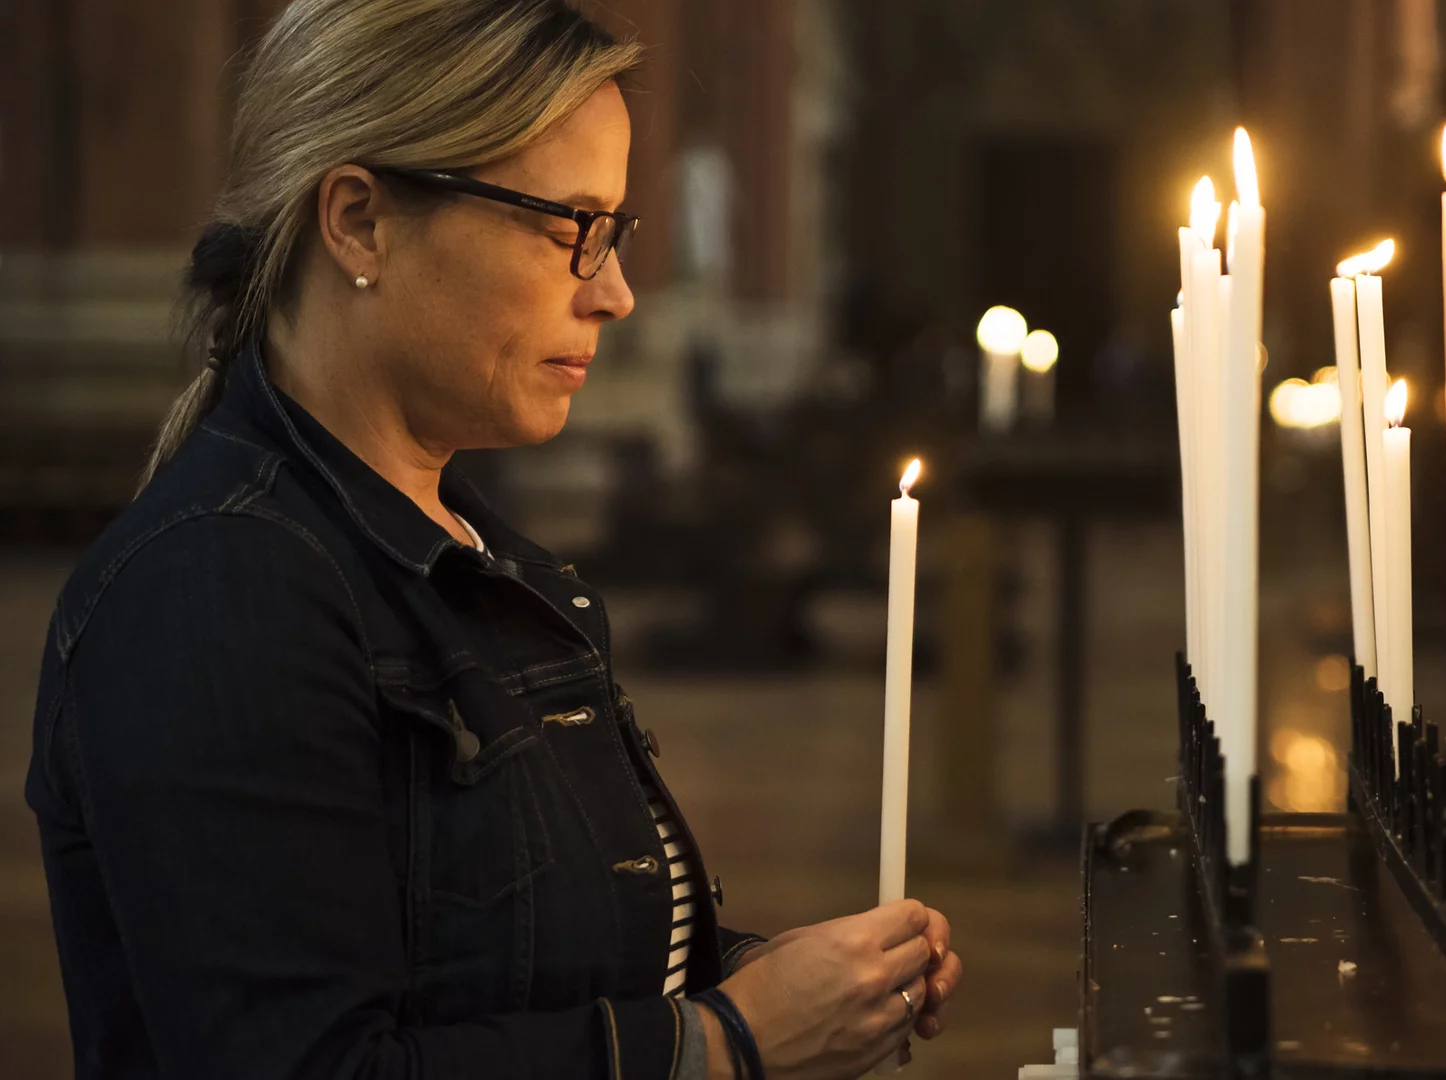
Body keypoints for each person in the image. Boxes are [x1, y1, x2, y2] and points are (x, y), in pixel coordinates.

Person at [23, 2, 962, 1077]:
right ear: (362, 223)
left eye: (616, 232)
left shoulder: (481, 556)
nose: (612, 293)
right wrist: (724, 1042)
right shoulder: (216, 589)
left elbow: (513, 964)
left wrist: (761, 980)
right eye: (571, 227)